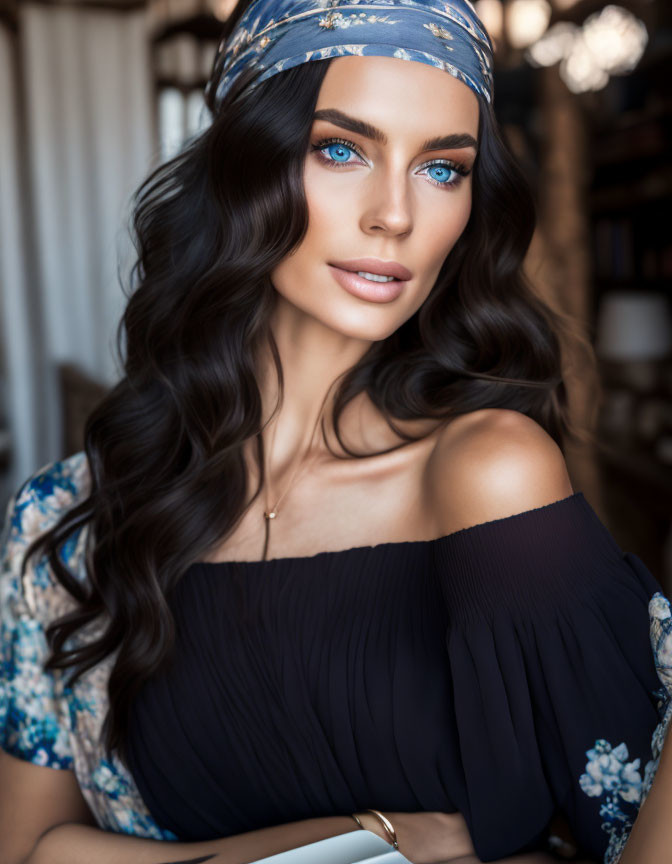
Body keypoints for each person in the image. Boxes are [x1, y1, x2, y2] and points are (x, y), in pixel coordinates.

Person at [0, 0, 670, 863]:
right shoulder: (68, 527)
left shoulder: (488, 472)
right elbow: (26, 852)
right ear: (243, 166)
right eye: (341, 149)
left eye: (442, 169)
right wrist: (363, 836)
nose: (394, 214)